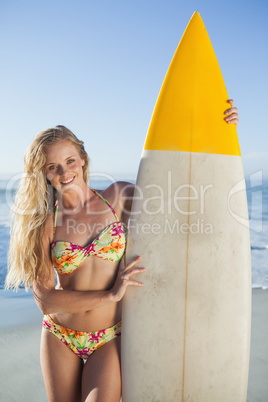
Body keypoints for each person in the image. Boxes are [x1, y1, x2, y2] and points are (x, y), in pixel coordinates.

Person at [5, 99, 239, 402]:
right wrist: (110, 294)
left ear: (83, 160)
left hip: (109, 338)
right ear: (45, 174)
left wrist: (217, 132)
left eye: (70, 161)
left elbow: (183, 196)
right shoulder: (45, 224)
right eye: (53, 167)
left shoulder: (117, 198)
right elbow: (46, 300)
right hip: (59, 336)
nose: (64, 173)